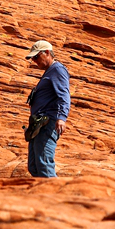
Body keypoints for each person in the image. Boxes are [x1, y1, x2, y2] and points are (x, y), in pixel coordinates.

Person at [24, 40, 70, 178]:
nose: (34, 60)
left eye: (37, 56)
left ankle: (55, 197)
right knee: (34, 166)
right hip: (38, 124)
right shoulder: (49, 72)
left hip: (47, 123)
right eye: (33, 58)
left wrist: (61, 118)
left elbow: (64, 95)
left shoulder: (57, 69)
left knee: (44, 164)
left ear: (48, 53)